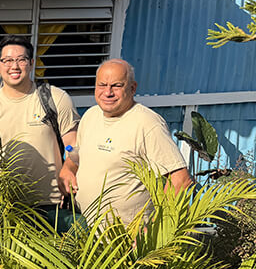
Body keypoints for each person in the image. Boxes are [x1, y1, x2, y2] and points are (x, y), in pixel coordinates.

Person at [60, 59, 191, 225]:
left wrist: (157, 230)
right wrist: (67, 169)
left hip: (129, 238)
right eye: (102, 85)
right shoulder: (91, 115)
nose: (108, 92)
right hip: (87, 231)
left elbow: (180, 179)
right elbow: (77, 155)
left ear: (132, 88)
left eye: (116, 85)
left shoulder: (147, 123)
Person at [0, 36, 79, 219]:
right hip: (4, 205)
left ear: (31, 63)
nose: (14, 66)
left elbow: (73, 145)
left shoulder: (55, 98)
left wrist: (69, 168)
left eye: (21, 60)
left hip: (52, 204)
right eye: (7, 60)